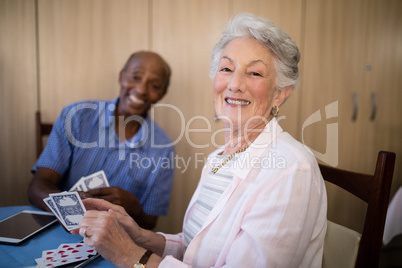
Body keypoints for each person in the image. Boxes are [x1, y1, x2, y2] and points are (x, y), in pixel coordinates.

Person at [72, 13, 327, 267]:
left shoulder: (290, 167)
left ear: (279, 94)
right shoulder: (220, 157)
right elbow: (198, 248)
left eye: (255, 73)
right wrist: (139, 236)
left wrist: (128, 254)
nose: (235, 84)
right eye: (226, 69)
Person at [28, 51, 175, 230]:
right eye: (135, 77)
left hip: (115, 241)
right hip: (58, 230)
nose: (142, 90)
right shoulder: (76, 117)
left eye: (154, 85)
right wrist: (67, 207)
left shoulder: (163, 149)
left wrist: (134, 208)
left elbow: (150, 223)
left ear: (162, 94)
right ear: (121, 76)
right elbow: (37, 187)